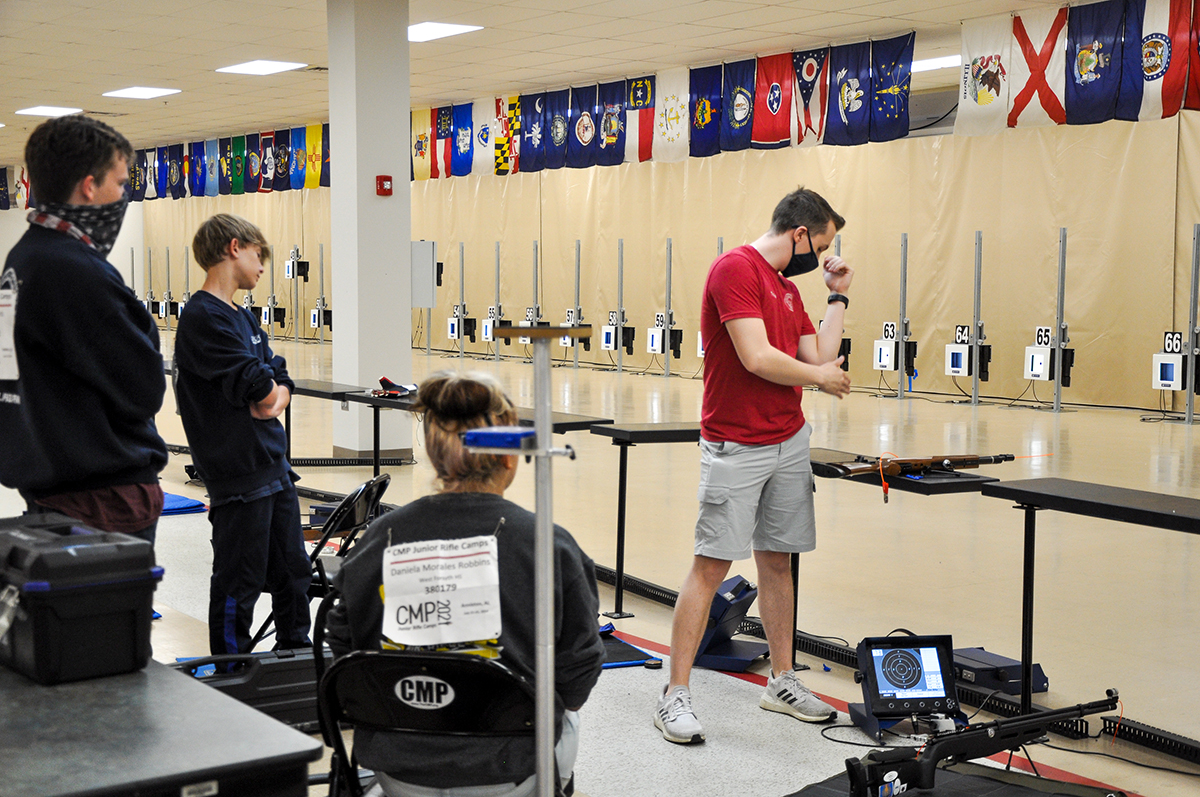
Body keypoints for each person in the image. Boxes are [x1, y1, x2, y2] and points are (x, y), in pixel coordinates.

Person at [326, 371, 604, 797]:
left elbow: (347, 648)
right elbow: (577, 672)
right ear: (509, 457)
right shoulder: (551, 546)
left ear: (436, 458)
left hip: (398, 767)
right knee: (563, 712)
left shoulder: (378, 541)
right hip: (510, 768)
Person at [655, 187, 854, 744]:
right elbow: (757, 357)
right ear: (799, 235)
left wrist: (836, 297)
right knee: (711, 565)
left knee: (777, 562)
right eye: (822, 244)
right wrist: (820, 379)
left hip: (787, 440)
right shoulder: (734, 271)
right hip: (736, 444)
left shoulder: (790, 289)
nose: (824, 254)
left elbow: (820, 356)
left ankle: (783, 680)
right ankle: (675, 694)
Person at [0, 115, 167, 543]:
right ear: (90, 187)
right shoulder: (73, 270)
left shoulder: (23, 258)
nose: (123, 196)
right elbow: (143, 385)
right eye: (120, 183)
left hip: (55, 484)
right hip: (101, 497)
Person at [174, 213, 311, 655]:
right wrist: (270, 391)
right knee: (240, 583)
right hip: (239, 480)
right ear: (234, 248)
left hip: (275, 469)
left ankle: (296, 658)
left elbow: (276, 384)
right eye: (258, 255)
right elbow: (258, 385)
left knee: (294, 574)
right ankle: (233, 670)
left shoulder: (245, 318)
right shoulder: (203, 318)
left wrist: (275, 393)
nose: (262, 266)